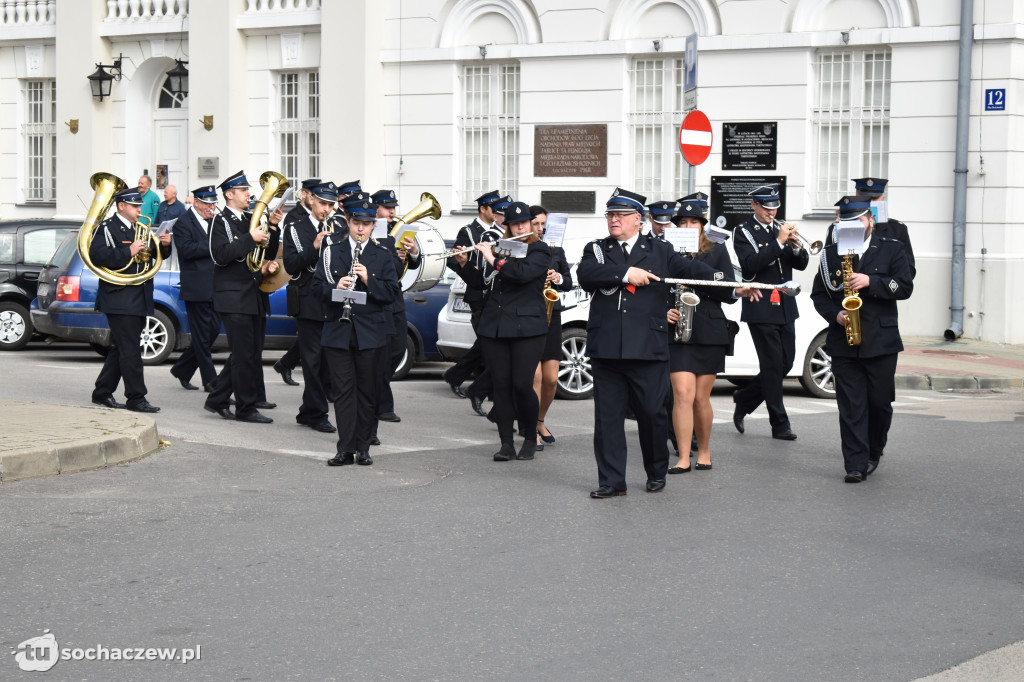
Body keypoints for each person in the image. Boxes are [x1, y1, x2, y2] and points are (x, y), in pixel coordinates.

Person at [577, 188, 755, 499]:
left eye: (620, 215)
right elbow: (586, 274)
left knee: (651, 414)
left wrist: (731, 286)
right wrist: (625, 273)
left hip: (647, 346)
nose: (614, 220)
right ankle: (612, 481)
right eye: (610, 215)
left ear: (638, 220)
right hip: (606, 348)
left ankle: (655, 470)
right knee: (607, 420)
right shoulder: (598, 250)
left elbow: (695, 271)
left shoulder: (660, 250)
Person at [811, 196, 913, 482]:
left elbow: (905, 287)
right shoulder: (831, 254)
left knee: (880, 403)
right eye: (845, 222)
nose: (852, 226)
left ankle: (874, 450)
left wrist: (871, 281)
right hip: (843, 341)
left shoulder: (892, 249)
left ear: (870, 220)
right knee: (851, 406)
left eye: (858, 221)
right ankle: (855, 463)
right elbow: (819, 295)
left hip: (881, 340)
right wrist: (836, 315)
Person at [315, 192, 401, 467]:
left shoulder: (382, 254)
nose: (361, 228)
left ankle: (364, 448)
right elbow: (316, 287)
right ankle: (345, 448)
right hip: (338, 331)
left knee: (367, 391)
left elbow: (391, 293)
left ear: (373, 225)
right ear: (348, 223)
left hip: (370, 332)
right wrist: (334, 289)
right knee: (343, 392)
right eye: (356, 223)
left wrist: (369, 279)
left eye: (366, 223)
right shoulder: (331, 251)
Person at [665, 199, 749, 473]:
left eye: (694, 222)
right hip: (678, 331)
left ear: (702, 225)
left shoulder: (716, 248)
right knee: (682, 395)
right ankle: (683, 457)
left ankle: (704, 451)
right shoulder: (665, 250)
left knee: (701, 398)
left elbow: (727, 290)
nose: (688, 227)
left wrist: (696, 274)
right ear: (676, 226)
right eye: (683, 223)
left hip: (709, 329)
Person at [473, 201, 550, 462]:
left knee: (521, 384)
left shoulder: (540, 250)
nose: (520, 226)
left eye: (524, 222)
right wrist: (464, 262)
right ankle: (505, 443)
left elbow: (522, 273)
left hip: (528, 327)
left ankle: (529, 437)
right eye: (514, 223)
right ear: (507, 226)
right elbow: (479, 282)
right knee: (501, 386)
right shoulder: (501, 247)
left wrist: (494, 260)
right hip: (496, 325)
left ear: (530, 224)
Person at [203, 171, 283, 423]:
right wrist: (250, 237)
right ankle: (245, 408)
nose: (249, 194)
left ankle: (216, 399)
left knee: (248, 352)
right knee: (244, 353)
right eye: (243, 191)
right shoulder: (220, 221)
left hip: (252, 294)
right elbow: (221, 255)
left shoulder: (252, 217)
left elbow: (268, 250)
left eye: (248, 190)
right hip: (232, 295)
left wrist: (272, 228)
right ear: (229, 194)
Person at [731, 184, 809, 441]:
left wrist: (797, 247)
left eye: (775, 207)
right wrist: (779, 242)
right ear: (754, 205)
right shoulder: (743, 231)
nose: (772, 212)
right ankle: (779, 423)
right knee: (772, 364)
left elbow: (801, 264)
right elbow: (750, 265)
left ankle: (745, 398)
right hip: (761, 305)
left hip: (786, 304)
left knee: (786, 362)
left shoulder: (780, 228)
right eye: (766, 207)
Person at [88, 186, 172, 412]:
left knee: (122, 348)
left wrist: (164, 245)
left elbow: (152, 256)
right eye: (135, 206)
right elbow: (97, 257)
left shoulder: (140, 228)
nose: (139, 210)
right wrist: (129, 252)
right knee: (131, 350)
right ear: (121, 206)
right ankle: (136, 397)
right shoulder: (106, 228)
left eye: (139, 206)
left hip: (139, 295)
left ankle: (102, 392)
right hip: (119, 297)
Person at [282, 181, 338, 434]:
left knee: (327, 358)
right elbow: (292, 265)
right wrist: (314, 247)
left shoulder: (338, 227)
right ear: (312, 200)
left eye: (330, 205)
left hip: (332, 298)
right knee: (313, 360)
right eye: (323, 203)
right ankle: (316, 413)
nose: (326, 209)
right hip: (307, 299)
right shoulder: (295, 227)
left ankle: (307, 411)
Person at [442, 190, 503, 411]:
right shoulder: (468, 231)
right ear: (483, 209)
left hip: (495, 295)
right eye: (493, 210)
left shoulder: (500, 232)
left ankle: (455, 375)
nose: (497, 214)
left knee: (487, 346)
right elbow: (453, 260)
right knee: (489, 346)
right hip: (478, 296)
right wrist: (466, 264)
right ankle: (481, 390)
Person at [370, 188, 421, 428]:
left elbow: (400, 273)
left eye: (393, 207)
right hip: (377, 303)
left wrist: (412, 254)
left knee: (397, 351)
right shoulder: (372, 235)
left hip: (396, 303)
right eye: (387, 208)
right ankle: (382, 404)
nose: (392, 212)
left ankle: (377, 392)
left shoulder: (392, 236)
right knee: (380, 356)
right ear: (376, 209)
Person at [528, 205, 574, 451]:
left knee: (551, 379)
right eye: (536, 224)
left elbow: (569, 282)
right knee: (534, 377)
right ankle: (530, 428)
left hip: (552, 314)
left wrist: (558, 278)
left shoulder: (557, 249)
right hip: (529, 316)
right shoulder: (523, 249)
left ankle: (540, 419)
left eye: (543, 224)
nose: (541, 228)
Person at [169, 185, 222, 392]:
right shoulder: (183, 222)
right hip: (196, 287)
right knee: (201, 335)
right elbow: (186, 250)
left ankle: (182, 369)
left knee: (213, 330)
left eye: (214, 203)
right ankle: (210, 380)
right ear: (197, 202)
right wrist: (212, 244)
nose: (212, 207)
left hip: (215, 285)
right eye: (208, 203)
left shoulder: (214, 221)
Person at [826, 178, 916, 281]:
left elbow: (908, 273)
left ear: (882, 198)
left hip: (880, 294)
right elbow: (828, 265)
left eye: (875, 199)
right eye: (865, 198)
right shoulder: (838, 227)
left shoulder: (897, 229)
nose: (869, 203)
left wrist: (872, 282)